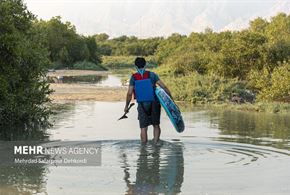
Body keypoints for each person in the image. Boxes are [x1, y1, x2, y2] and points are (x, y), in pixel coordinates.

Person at [124, 57, 172, 143]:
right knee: (156, 125)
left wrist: (126, 106)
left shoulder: (134, 77)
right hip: (154, 103)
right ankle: (156, 146)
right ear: (145, 64)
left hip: (142, 104)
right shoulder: (152, 75)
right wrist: (171, 100)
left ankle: (143, 150)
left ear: (135, 66)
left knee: (143, 128)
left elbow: (129, 93)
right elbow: (164, 87)